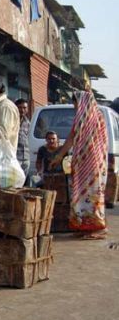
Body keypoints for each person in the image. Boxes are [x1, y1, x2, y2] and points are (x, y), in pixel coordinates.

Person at [50, 90, 108, 240]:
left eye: (75, 102)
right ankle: (83, 226)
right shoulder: (82, 118)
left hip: (93, 165)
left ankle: (96, 228)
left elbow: (102, 142)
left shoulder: (96, 118)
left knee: (93, 196)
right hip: (83, 164)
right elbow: (71, 138)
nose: (74, 106)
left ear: (82, 102)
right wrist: (59, 156)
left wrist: (59, 156)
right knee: (80, 196)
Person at [15, 98, 31, 186]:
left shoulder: (28, 123)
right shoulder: (11, 121)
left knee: (24, 182)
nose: (22, 110)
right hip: (14, 156)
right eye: (20, 107)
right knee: (14, 182)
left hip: (26, 157)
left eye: (24, 108)